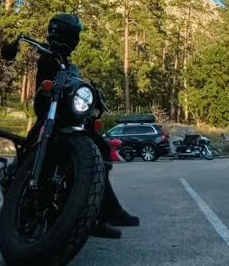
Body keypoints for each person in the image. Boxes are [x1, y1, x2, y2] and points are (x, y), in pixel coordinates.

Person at [18, 13, 139, 239]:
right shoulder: (48, 56)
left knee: (100, 148)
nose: (76, 41)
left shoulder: (70, 66)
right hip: (49, 116)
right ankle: (25, 197)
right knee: (34, 144)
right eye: (75, 36)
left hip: (68, 119)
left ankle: (98, 214)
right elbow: (43, 92)